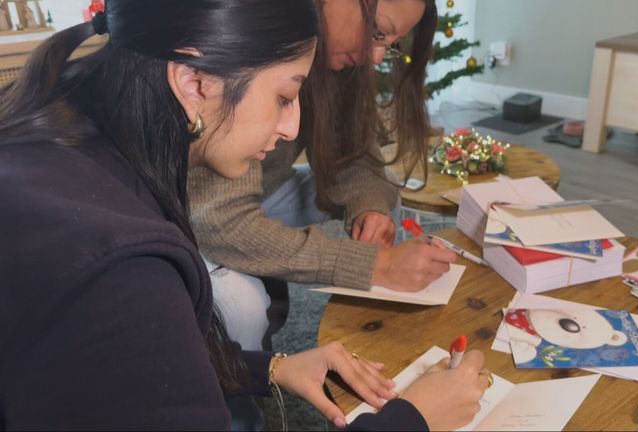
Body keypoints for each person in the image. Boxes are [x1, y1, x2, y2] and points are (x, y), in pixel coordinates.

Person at [0, 0, 490, 430]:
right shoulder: (127, 273)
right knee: (243, 301)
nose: (295, 125)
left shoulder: (78, 152)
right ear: (193, 83)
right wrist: (415, 420)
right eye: (283, 96)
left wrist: (265, 368)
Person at [188, 0, 453, 350]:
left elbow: (352, 156)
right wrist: (371, 265)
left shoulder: (336, 63)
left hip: (260, 189)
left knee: (382, 197)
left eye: (390, 46)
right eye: (376, 31)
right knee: (244, 307)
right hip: (190, 211)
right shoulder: (251, 32)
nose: (375, 58)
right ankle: (239, 389)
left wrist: (369, 208)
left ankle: (374, 325)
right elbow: (220, 220)